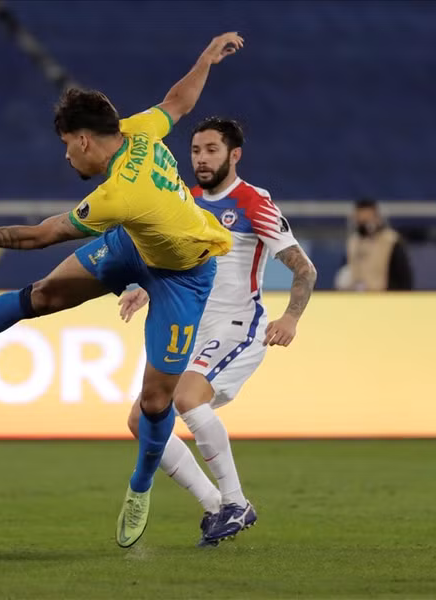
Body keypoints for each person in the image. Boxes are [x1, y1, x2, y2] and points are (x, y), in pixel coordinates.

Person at [0, 32, 244, 548]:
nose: (66, 157)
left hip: (185, 278)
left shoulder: (118, 194)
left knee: (154, 403)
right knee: (41, 296)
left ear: (84, 139)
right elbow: (179, 101)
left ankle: (140, 486)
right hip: (136, 244)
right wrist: (205, 59)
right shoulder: (140, 132)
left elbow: (36, 236)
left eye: (66, 145)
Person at [118, 117, 317, 545]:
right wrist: (144, 290)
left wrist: (291, 318)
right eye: (195, 151)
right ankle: (215, 506)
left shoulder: (252, 202)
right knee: (142, 419)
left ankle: (236, 500)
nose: (202, 159)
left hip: (238, 325)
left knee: (187, 398)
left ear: (234, 155)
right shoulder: (185, 201)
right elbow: (173, 263)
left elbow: (304, 268)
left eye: (211, 150)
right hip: (190, 328)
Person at [335, 199, 413, 291]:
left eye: (367, 220)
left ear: (377, 218)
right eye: (360, 221)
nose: (364, 225)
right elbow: (347, 272)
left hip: (384, 298)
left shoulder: (391, 241)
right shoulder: (353, 242)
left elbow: (404, 277)